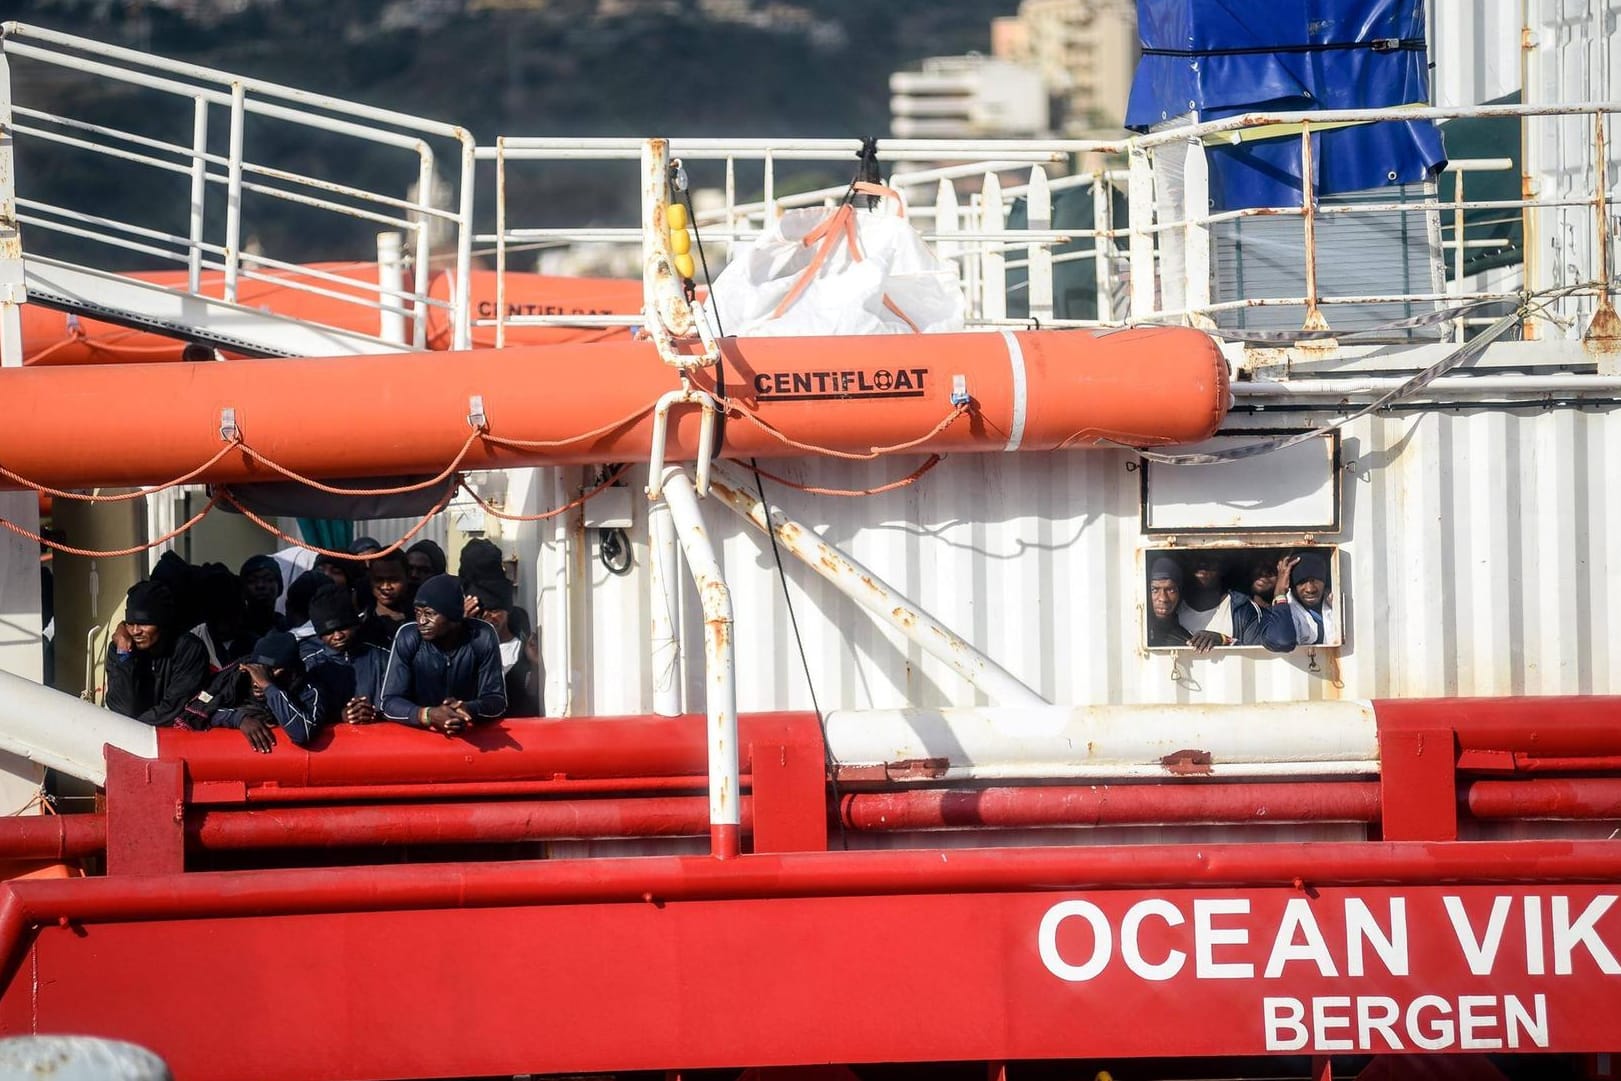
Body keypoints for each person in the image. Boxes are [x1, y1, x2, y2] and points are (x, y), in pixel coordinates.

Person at [380, 574, 506, 733]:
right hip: (419, 738)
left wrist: (468, 709)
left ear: (453, 616)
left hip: (470, 737)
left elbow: (496, 700)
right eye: (418, 612)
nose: (422, 621)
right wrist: (427, 715)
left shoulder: (482, 636)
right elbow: (390, 702)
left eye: (430, 613)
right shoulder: (409, 637)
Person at [178, 630, 317, 751]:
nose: (258, 679)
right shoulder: (235, 678)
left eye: (270, 670)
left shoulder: (308, 688)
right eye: (258, 669)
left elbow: (301, 732)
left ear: (289, 672)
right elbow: (202, 710)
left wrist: (268, 686)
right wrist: (239, 719)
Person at [104, 581, 210, 726]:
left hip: (172, 738)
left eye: (144, 623)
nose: (136, 631)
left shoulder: (188, 649)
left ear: (162, 623)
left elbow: (172, 708)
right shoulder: (121, 648)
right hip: (131, 736)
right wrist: (124, 654)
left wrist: (134, 728)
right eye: (130, 623)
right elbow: (124, 708)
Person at [301, 584, 389, 727]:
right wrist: (340, 715)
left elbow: (398, 701)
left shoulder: (381, 657)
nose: (338, 636)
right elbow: (304, 711)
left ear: (355, 624)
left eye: (343, 627)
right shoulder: (310, 664)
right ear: (319, 635)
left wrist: (372, 713)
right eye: (329, 632)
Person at [470, 578, 539, 717]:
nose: (488, 617)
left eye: (494, 610)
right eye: (482, 612)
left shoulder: (523, 650)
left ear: (507, 611)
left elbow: (532, 694)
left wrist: (535, 664)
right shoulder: (470, 649)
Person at [1176, 551, 1260, 651]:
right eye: (1197, 555)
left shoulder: (1243, 609)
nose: (1203, 563)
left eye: (1211, 557)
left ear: (1224, 567)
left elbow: (1257, 656)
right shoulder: (1172, 607)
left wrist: (1223, 640)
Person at [1261, 551, 1340, 653]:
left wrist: (1335, 603)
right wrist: (1279, 593)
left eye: (1316, 580)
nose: (1310, 589)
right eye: (1301, 581)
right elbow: (1281, 642)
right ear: (1292, 584)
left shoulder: (1335, 604)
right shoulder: (1279, 612)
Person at [188, 563, 254, 672]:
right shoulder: (193, 640)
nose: (223, 626)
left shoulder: (256, 644)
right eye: (217, 616)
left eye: (229, 616)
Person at [358, 550, 413, 648]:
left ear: (408, 576)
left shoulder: (421, 620)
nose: (386, 587)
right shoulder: (361, 623)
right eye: (379, 580)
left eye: (393, 580)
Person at [1145, 557, 1192, 648]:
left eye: (1171, 590)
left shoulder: (1184, 639)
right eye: (1154, 590)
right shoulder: (1132, 630)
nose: (1163, 598)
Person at [239, 554, 285, 636]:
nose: (260, 585)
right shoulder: (235, 629)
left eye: (268, 579)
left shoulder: (288, 627)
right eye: (252, 580)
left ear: (279, 586)